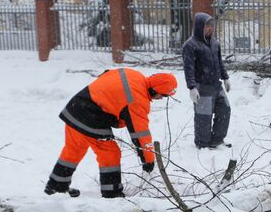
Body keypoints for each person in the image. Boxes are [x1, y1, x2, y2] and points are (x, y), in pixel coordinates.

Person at [46, 68, 178, 198]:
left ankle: (57, 185)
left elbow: (106, 74)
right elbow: (140, 133)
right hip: (91, 116)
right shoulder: (137, 99)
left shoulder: (132, 74)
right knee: (110, 153)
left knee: (74, 148)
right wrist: (148, 160)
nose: (162, 98)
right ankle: (112, 193)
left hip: (75, 108)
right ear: (154, 90)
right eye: (164, 95)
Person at [182, 12, 231, 149]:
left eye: (212, 26)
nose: (210, 28)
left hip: (216, 85)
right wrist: (192, 87)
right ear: (199, 27)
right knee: (203, 116)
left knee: (225, 110)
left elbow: (219, 62)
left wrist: (225, 77)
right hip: (202, 86)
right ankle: (202, 143)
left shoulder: (215, 43)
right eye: (207, 26)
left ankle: (217, 139)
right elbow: (189, 68)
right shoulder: (190, 45)